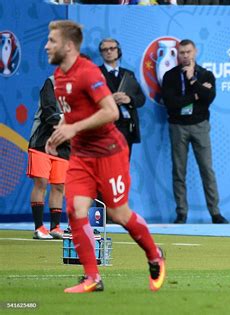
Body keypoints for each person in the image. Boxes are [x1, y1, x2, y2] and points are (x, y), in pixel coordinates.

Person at [44, 20, 165, 293]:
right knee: (75, 210)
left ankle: (154, 254)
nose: (46, 46)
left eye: (52, 41)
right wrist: (61, 131)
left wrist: (73, 127)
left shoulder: (87, 73)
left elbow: (110, 111)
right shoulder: (59, 76)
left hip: (110, 154)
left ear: (68, 45)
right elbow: (74, 115)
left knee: (119, 213)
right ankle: (92, 277)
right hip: (81, 156)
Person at [161, 39, 228, 224]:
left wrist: (192, 80)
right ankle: (181, 212)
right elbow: (171, 104)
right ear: (177, 54)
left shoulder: (206, 74)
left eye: (188, 52)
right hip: (178, 126)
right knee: (178, 171)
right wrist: (195, 95)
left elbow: (208, 98)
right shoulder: (170, 76)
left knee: (207, 169)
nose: (185, 56)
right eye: (181, 52)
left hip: (200, 126)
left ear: (195, 52)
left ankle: (215, 213)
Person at [27, 76, 70, 240]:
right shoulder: (52, 82)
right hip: (42, 142)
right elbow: (49, 112)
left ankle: (55, 227)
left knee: (59, 186)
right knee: (41, 183)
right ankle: (38, 227)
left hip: (63, 147)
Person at [98, 38, 146, 159]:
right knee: (108, 166)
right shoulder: (95, 73)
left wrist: (129, 100)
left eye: (112, 48)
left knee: (124, 166)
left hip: (127, 127)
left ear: (118, 51)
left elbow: (141, 99)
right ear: (101, 53)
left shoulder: (128, 74)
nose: (108, 52)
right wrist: (109, 99)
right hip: (107, 127)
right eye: (104, 49)